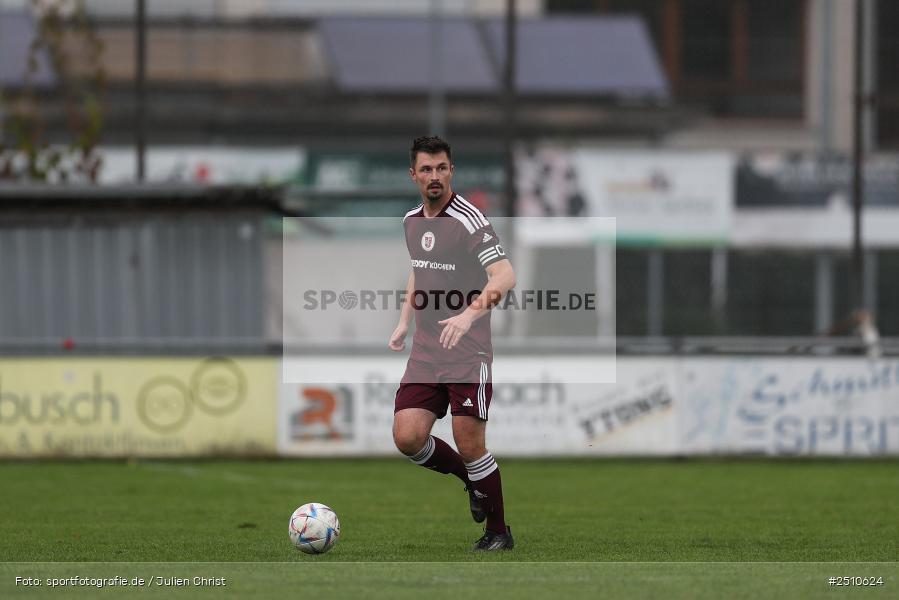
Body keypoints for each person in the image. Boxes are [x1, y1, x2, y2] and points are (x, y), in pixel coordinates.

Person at [388, 136, 516, 551]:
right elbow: (418, 271)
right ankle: (470, 480)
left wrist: (467, 315)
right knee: (407, 437)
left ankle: (499, 531)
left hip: (467, 351)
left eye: (442, 168)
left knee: (470, 443)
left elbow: (505, 277)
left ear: (451, 171)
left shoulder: (469, 220)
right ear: (413, 175)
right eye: (426, 169)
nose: (435, 176)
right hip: (426, 351)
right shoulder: (411, 220)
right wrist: (403, 321)